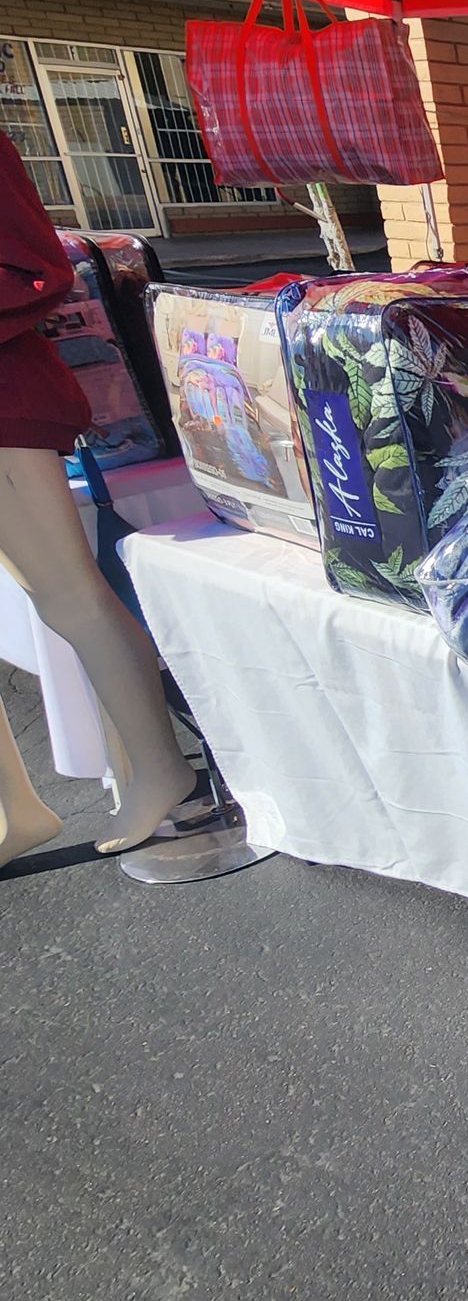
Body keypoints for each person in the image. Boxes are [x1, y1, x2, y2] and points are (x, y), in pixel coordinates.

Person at [0, 130, 200, 866]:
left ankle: (161, 768)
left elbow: (35, 268)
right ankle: (16, 806)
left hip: (9, 409)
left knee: (69, 597)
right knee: (61, 597)